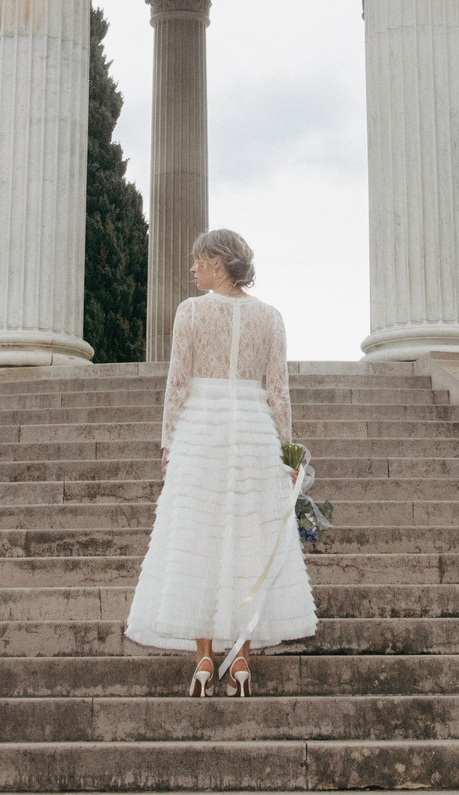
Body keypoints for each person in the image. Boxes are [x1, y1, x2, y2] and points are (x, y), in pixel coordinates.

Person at [123, 228, 317, 695]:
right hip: (253, 432)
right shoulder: (270, 318)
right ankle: (243, 662)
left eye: (198, 260)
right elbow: (279, 394)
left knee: (197, 539)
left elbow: (177, 384)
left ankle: (205, 659)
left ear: (218, 262)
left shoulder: (190, 313)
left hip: (200, 432)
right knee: (247, 540)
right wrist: (287, 454)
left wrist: (168, 445)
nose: (192, 269)